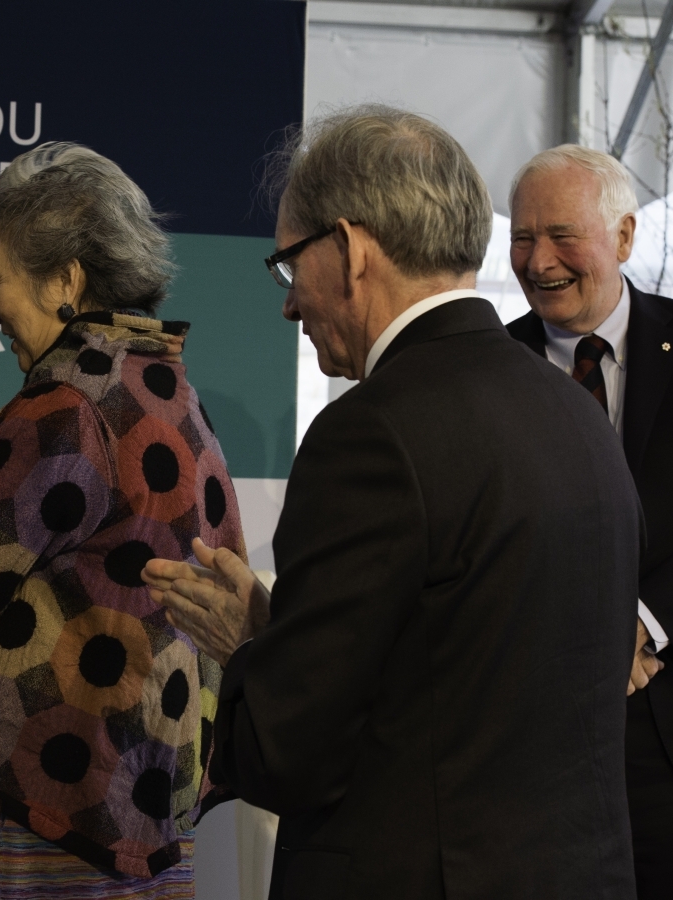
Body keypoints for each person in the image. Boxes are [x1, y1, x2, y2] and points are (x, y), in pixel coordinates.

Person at [144, 106, 641, 899]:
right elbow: (468, 673)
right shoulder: (574, 410)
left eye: (287, 264)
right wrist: (284, 632)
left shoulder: (370, 435)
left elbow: (287, 753)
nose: (287, 303)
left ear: (350, 250)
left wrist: (249, 649)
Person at [0, 142, 242, 898]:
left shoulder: (67, 401)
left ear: (65, 280)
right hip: (143, 806)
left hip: (44, 811)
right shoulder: (168, 388)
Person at [505, 144, 672, 898]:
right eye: (521, 237)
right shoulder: (486, 366)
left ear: (626, 238)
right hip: (526, 747)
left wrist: (641, 620)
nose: (539, 262)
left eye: (562, 235)